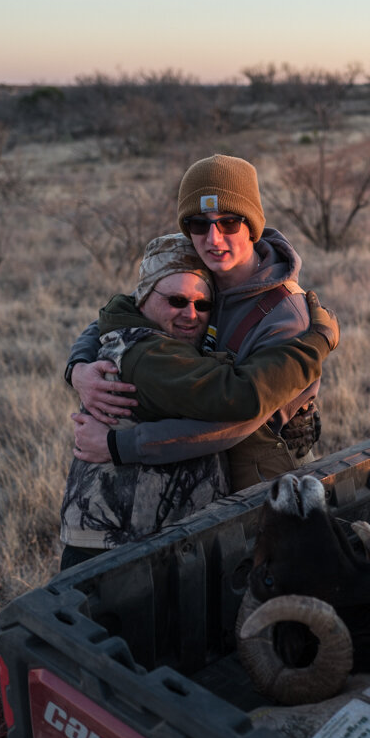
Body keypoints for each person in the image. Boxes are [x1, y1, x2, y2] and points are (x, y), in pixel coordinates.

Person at [59, 233, 337, 570]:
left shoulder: (154, 330)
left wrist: (76, 366)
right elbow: (240, 396)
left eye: (203, 304)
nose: (191, 314)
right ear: (143, 299)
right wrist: (317, 344)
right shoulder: (151, 357)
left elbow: (105, 317)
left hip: (152, 542)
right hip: (114, 552)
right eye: (177, 301)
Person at [67, 154, 323, 490]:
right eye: (199, 224)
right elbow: (127, 313)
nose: (213, 239)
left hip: (262, 482)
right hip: (198, 480)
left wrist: (120, 445)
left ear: (252, 225)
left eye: (229, 222)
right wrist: (79, 367)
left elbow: (236, 419)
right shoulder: (202, 271)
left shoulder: (287, 314)